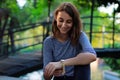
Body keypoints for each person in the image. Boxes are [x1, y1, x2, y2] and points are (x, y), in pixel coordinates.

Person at [43, 2, 97, 80]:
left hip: (78, 77)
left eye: (68, 22)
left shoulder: (80, 36)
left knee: (84, 59)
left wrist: (62, 63)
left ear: (74, 23)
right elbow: (46, 77)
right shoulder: (49, 42)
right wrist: (51, 71)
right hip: (60, 78)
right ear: (56, 20)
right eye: (61, 20)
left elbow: (92, 56)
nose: (64, 25)